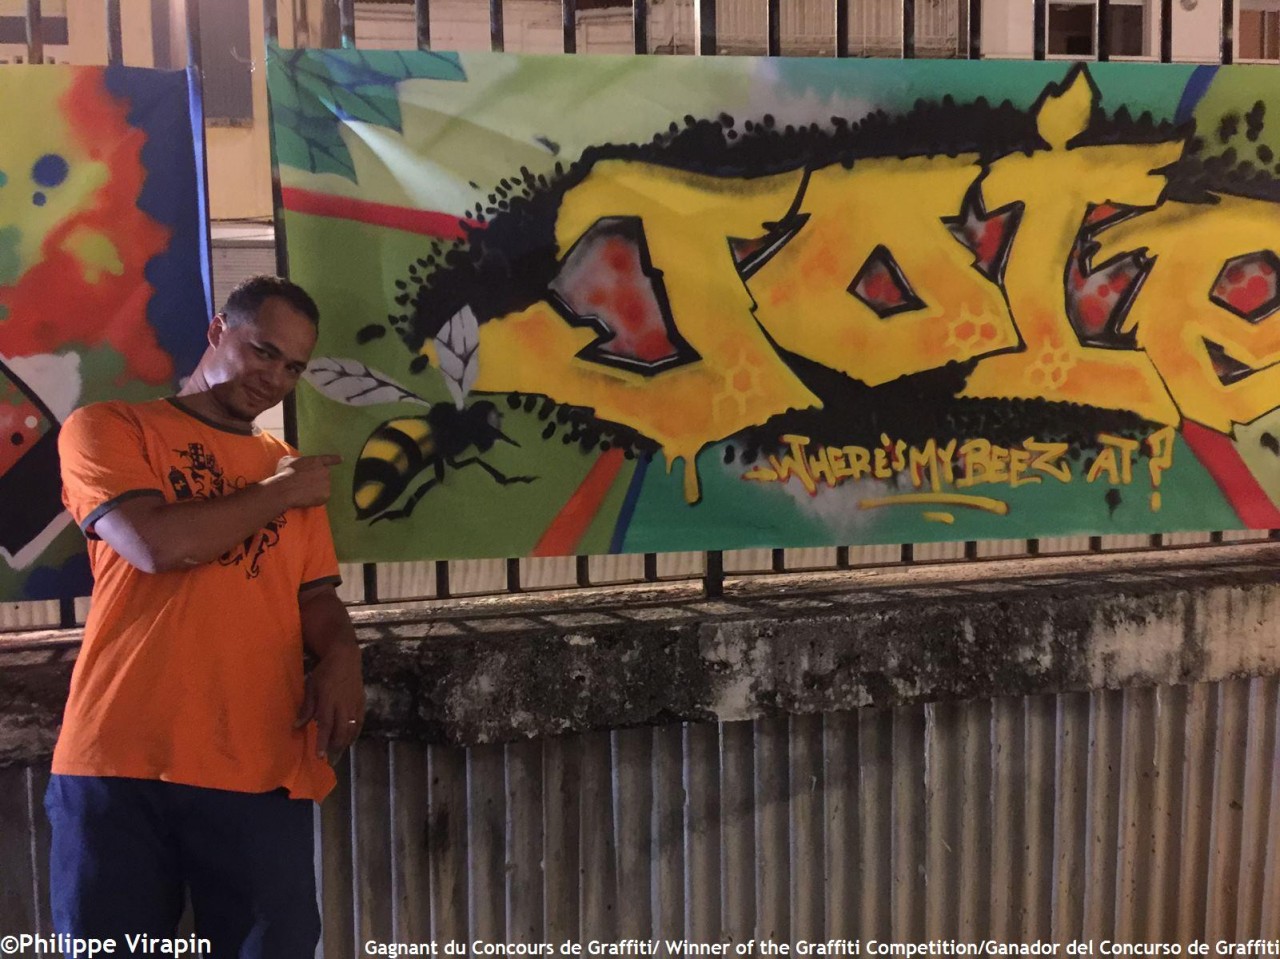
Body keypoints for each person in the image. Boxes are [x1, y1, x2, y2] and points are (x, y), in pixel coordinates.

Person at [47, 274, 364, 957]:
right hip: (119, 755)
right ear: (218, 330)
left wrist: (343, 653)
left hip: (259, 758)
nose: (274, 377)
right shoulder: (109, 427)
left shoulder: (288, 468)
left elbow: (314, 597)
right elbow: (156, 544)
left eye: (293, 367)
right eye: (263, 351)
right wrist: (278, 494)